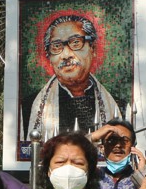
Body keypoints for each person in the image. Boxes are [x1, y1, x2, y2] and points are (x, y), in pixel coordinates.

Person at [22, 11, 122, 141]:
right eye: (56, 46)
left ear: (93, 49)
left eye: (75, 42)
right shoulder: (29, 108)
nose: (66, 55)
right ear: (50, 57)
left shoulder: (119, 106)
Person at [90, 119, 145, 189]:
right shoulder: (93, 176)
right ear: (102, 147)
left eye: (124, 141)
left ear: (132, 146)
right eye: (112, 140)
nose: (118, 145)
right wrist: (92, 137)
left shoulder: (137, 178)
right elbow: (71, 153)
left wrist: (142, 174)